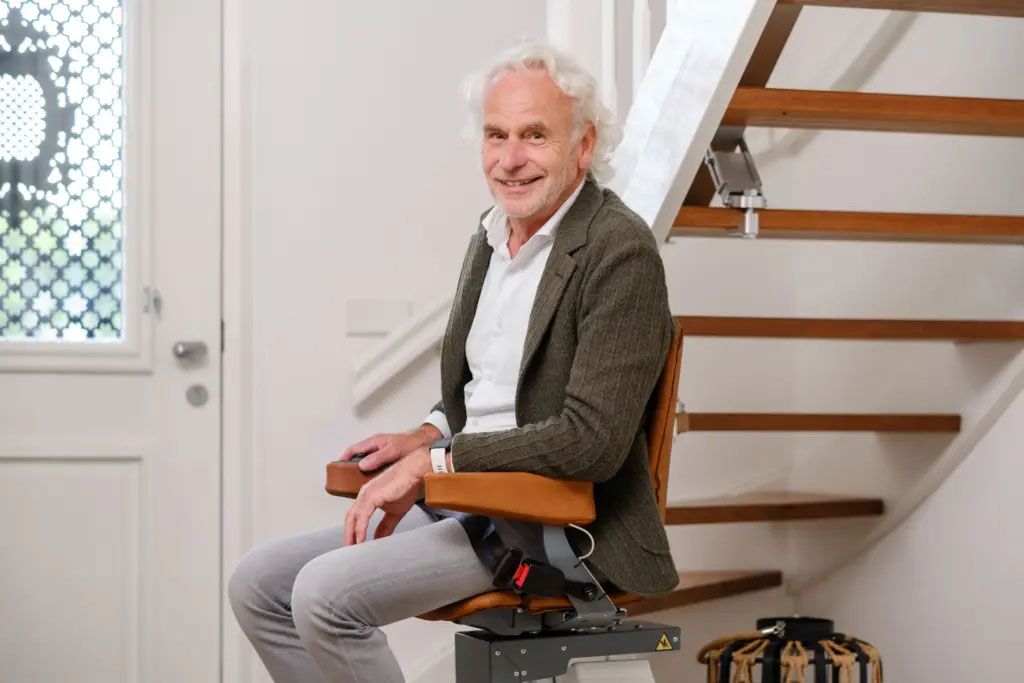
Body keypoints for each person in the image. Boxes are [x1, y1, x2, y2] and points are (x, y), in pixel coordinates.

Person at [228, 39, 677, 683]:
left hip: (542, 520)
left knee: (324, 598)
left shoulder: (619, 251)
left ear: (583, 145)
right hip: (463, 495)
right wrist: (429, 434)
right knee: (258, 585)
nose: (511, 159)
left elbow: (592, 442)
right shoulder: (492, 233)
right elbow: (486, 389)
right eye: (496, 135)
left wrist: (436, 462)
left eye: (535, 136)